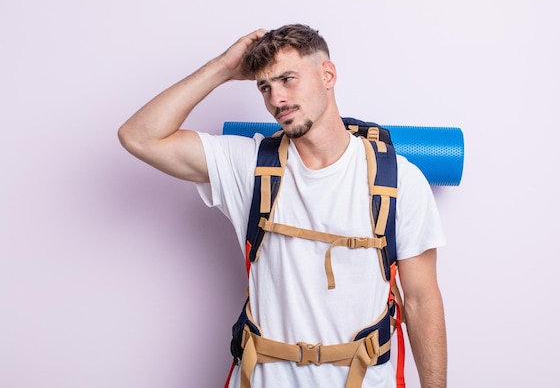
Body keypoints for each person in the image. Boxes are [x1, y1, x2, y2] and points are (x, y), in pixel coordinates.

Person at [118, 24, 447, 388]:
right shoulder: (248, 167)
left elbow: (420, 301)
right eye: (265, 87)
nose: (276, 98)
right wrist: (223, 69)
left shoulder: (398, 178)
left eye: (288, 79)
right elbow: (138, 136)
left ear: (327, 75)